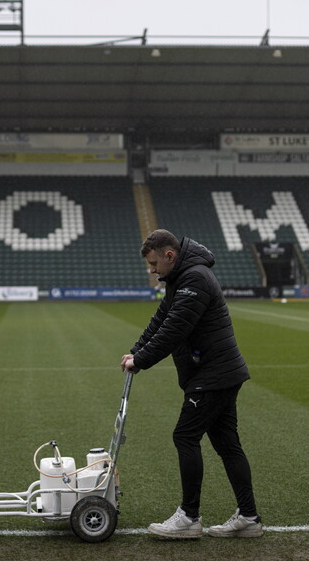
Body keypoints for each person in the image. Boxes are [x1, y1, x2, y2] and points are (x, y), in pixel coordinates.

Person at [120, 229, 262, 539]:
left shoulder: (195, 278)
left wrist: (141, 360)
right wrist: (135, 350)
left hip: (212, 374)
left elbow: (174, 330)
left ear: (170, 255)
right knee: (227, 445)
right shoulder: (180, 278)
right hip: (218, 372)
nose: (152, 270)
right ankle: (249, 517)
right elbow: (160, 319)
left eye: (155, 263)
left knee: (185, 436)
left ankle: (189, 517)